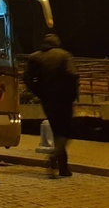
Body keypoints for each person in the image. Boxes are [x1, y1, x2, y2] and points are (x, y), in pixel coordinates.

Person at [23, 33, 79, 177]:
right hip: (64, 99)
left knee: (57, 132)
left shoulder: (35, 57)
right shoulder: (65, 56)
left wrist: (39, 91)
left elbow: (27, 78)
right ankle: (54, 156)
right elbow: (72, 75)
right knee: (66, 132)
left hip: (47, 99)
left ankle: (63, 167)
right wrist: (72, 95)